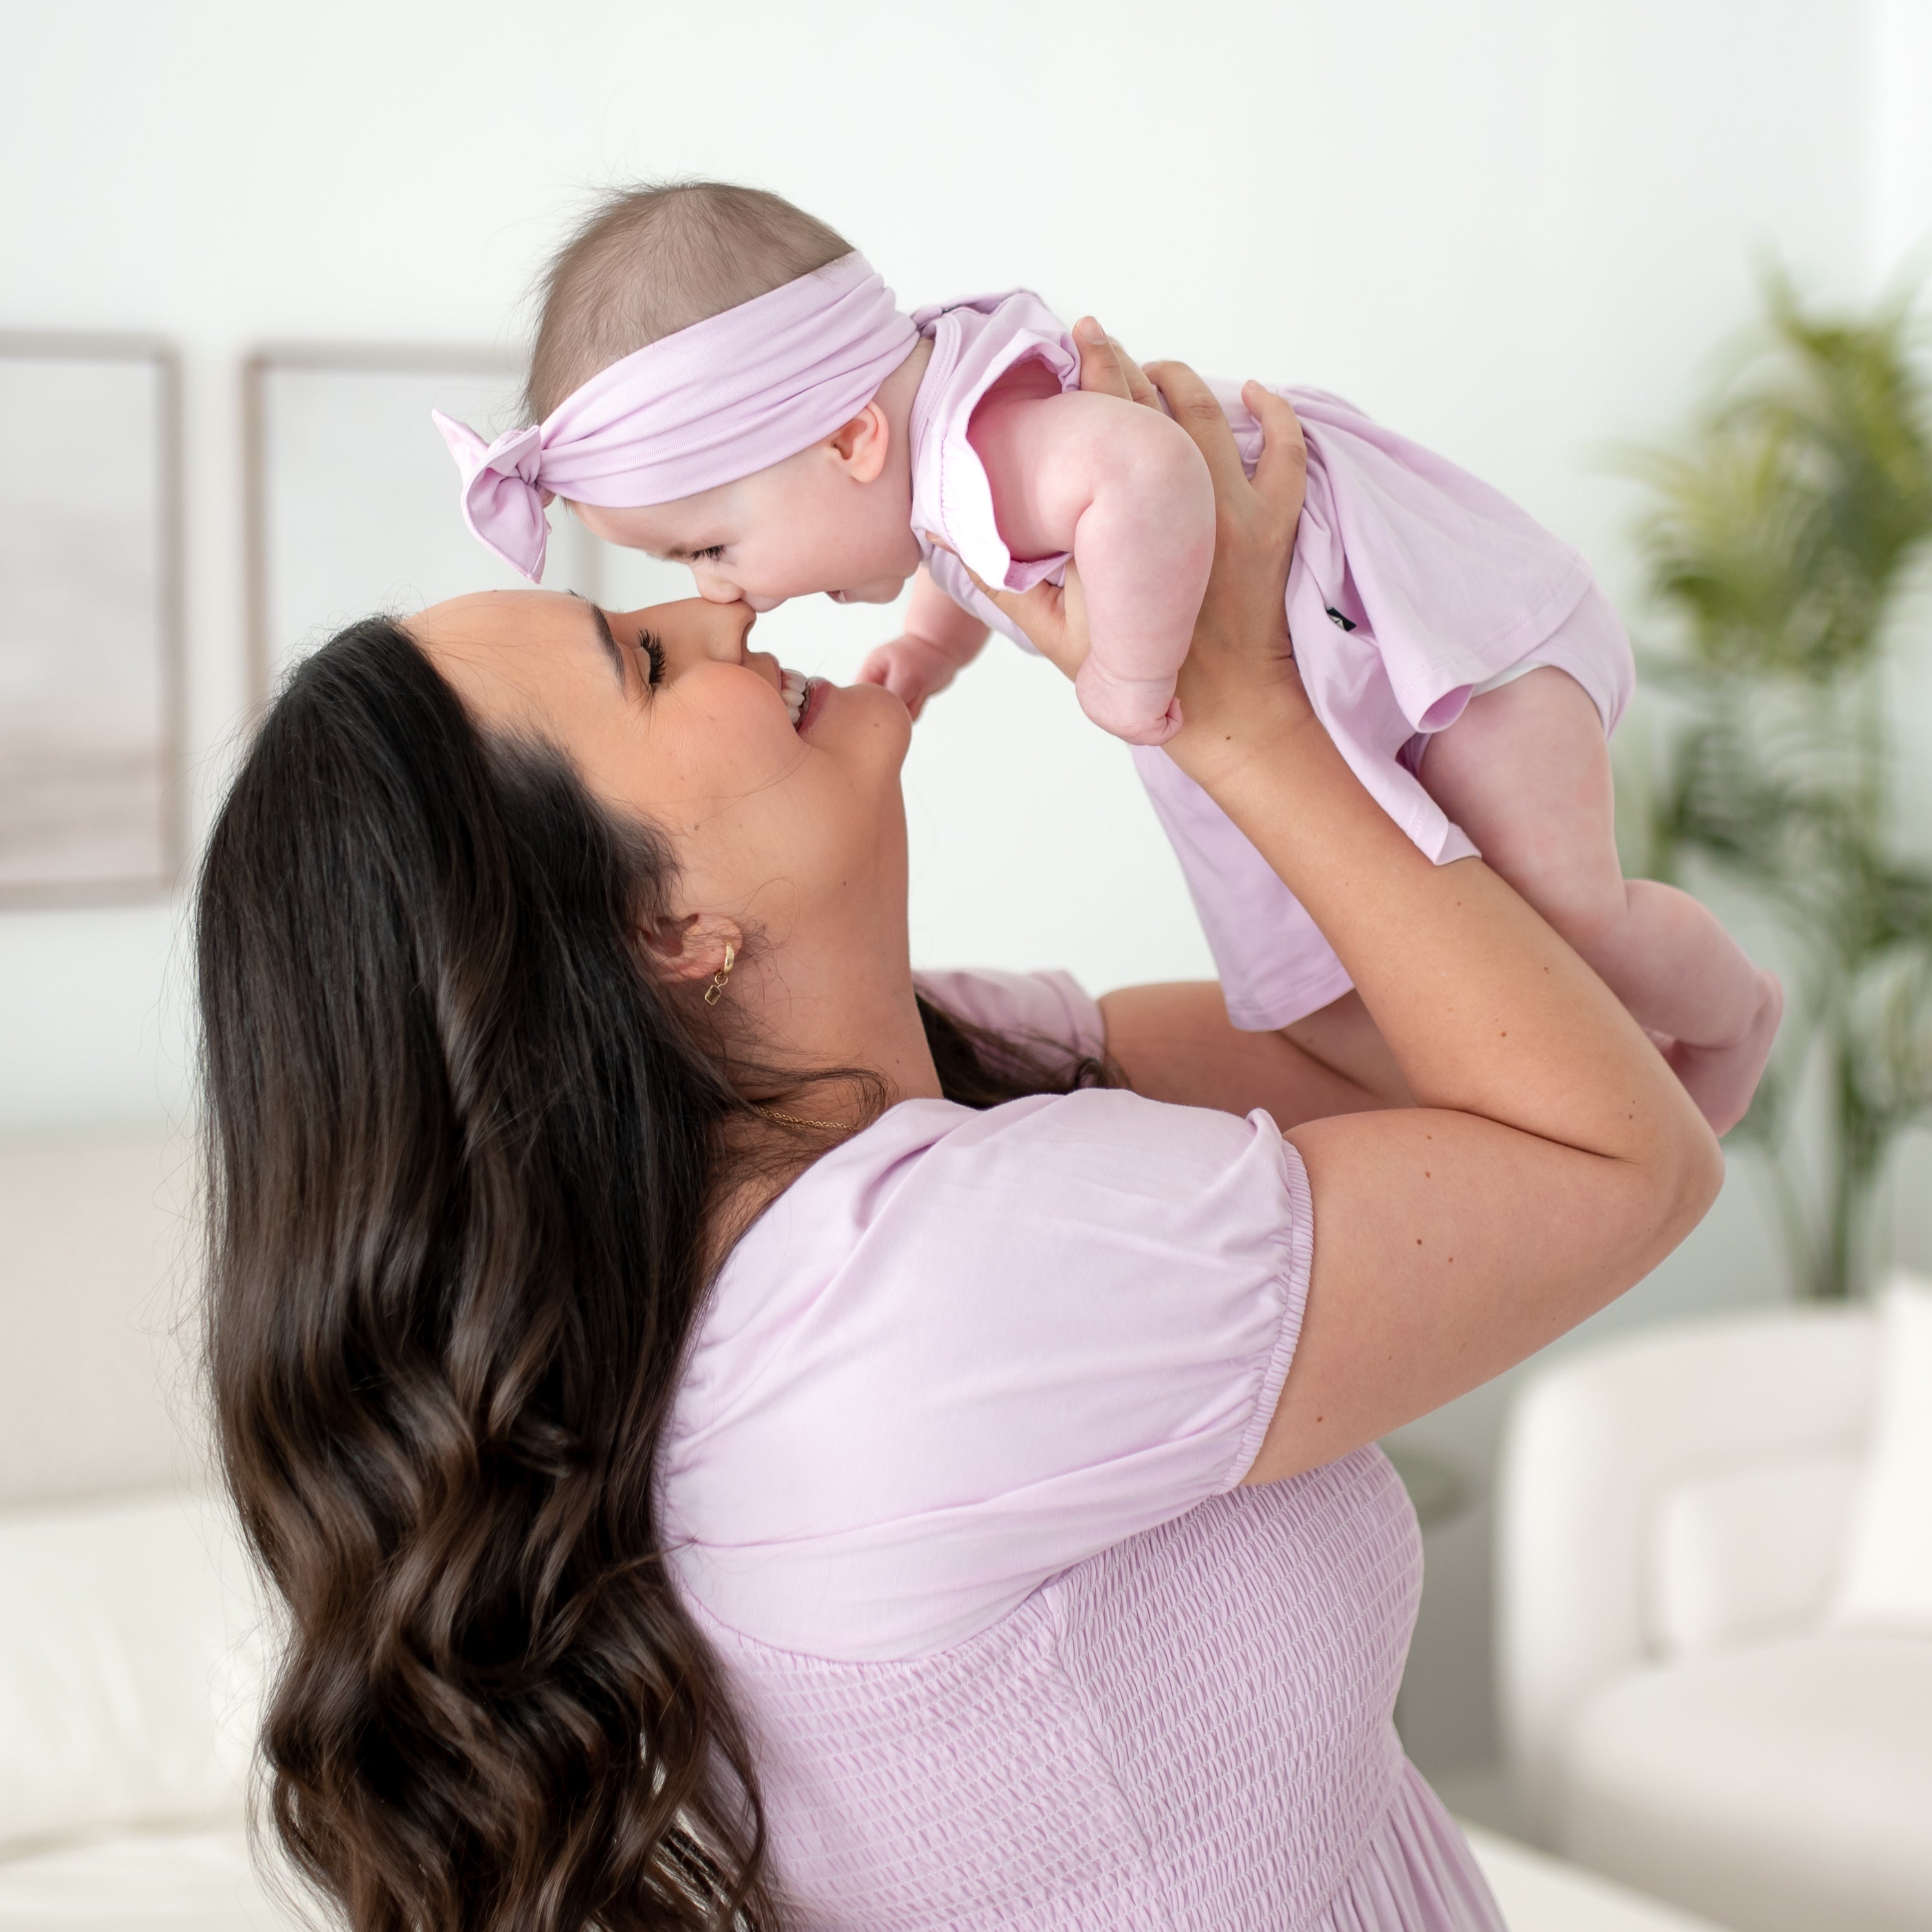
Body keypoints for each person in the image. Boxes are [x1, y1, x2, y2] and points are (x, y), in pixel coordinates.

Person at [202, 335, 1720, 1932]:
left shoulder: (892, 1099)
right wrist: (1227, 715)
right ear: (662, 930)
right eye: (640, 661)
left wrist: (1225, 627)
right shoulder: (917, 1302)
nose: (721, 604)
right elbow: (1617, 1158)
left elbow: (1394, 1057)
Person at [436, 180, 1782, 1135]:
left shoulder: (999, 448)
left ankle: (1733, 1021)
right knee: (1328, 996)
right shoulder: (943, 474)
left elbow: (1140, 471)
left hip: (1436, 635)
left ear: (848, 440)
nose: (725, 598)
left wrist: (1131, 681)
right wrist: (924, 643)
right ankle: (1592, 1071)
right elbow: (974, 563)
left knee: (1559, 913)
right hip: (1326, 674)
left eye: (705, 550)